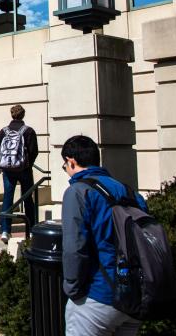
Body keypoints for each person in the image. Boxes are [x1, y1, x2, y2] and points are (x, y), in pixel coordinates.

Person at [61, 135, 145, 336]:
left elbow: (74, 247)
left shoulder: (78, 192)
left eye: (65, 165)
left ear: (71, 161)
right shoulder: (129, 191)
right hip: (134, 296)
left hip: (97, 296)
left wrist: (72, 289)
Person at [0, 104, 38, 243]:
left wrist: (5, 165)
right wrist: (26, 165)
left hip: (8, 170)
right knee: (28, 198)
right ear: (23, 115)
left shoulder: (3, 131)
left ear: (11, 115)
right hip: (24, 170)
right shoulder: (28, 131)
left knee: (8, 198)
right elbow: (33, 151)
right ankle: (31, 229)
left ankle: (5, 231)